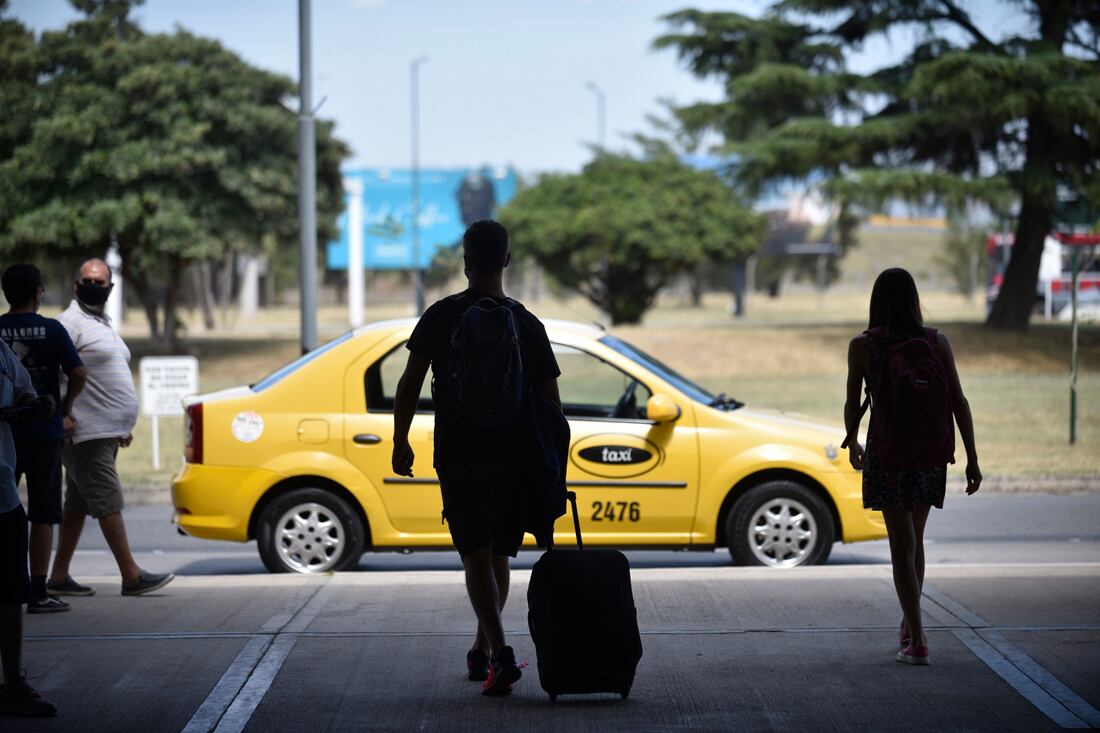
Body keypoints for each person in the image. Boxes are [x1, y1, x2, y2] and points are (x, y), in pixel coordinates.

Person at [391, 220, 561, 696]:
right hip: (514, 454)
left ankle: (499, 653)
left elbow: (408, 384)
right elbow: (551, 403)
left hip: (459, 451)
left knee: (475, 554)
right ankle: (484, 651)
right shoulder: (526, 322)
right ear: (507, 259)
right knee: (500, 553)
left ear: (466, 262)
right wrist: (549, 464)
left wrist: (400, 440)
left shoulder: (441, 315)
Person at [844, 268, 981, 666]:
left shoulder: (863, 346)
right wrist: (971, 457)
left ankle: (917, 639)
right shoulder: (936, 342)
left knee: (900, 546)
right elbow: (959, 401)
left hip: (887, 455)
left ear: (876, 302)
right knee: (914, 543)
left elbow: (853, 402)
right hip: (929, 454)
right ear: (913, 299)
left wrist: (853, 440)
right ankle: (909, 623)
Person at [47, 259, 174, 597]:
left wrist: (120, 422)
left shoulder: (101, 323)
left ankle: (58, 577)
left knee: (77, 502)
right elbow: (51, 372)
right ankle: (131, 576)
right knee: (108, 497)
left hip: (105, 431)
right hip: (83, 432)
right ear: (76, 285)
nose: (94, 285)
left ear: (110, 287)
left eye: (100, 281)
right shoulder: (69, 323)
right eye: (88, 280)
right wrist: (64, 411)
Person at [0, 265, 87, 614]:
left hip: (5, 436)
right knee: (43, 511)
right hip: (44, 432)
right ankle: (37, 590)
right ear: (38, 292)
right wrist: (66, 408)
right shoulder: (52, 329)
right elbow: (78, 372)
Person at [0, 337, 58, 717]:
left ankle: (13, 685)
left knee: (9, 593)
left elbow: (26, 392)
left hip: (3, 494)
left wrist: (36, 405)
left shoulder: (2, 351)